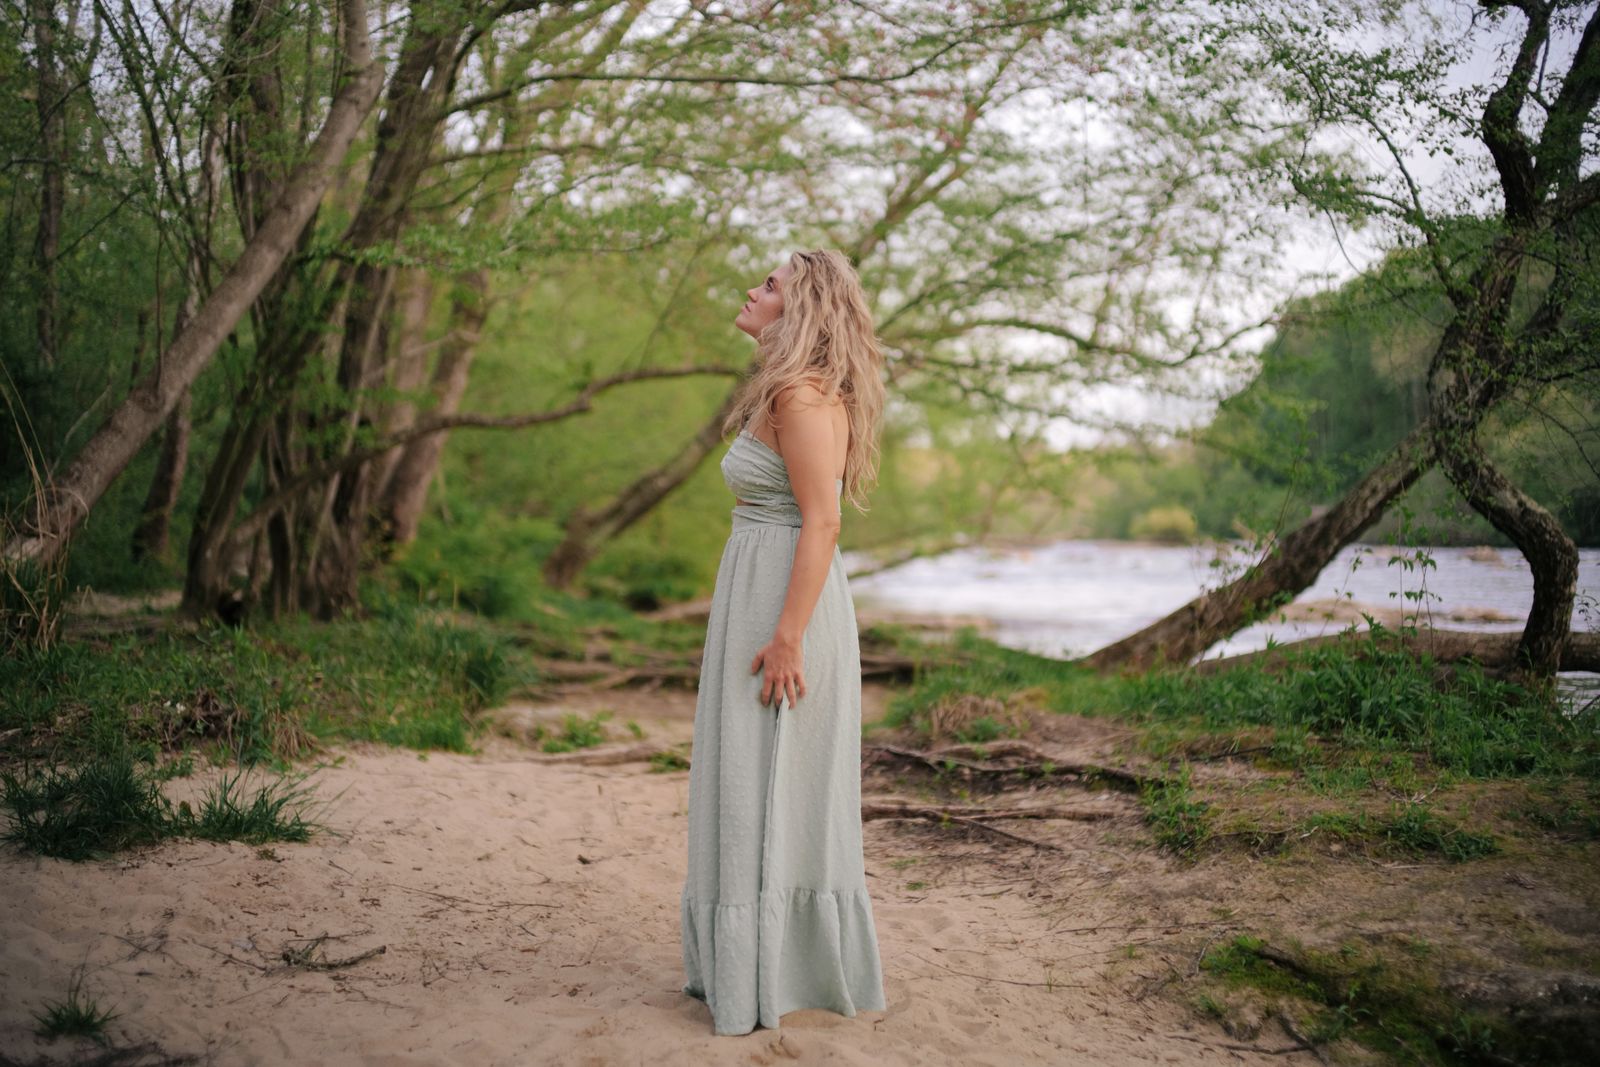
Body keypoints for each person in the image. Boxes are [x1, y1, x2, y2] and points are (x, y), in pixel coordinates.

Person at [679, 250, 889, 1036]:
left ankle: (772, 968)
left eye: (769, 285)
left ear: (800, 309)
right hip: (762, 592)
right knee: (750, 777)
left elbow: (825, 522)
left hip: (787, 609)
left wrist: (789, 637)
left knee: (773, 780)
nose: (751, 290)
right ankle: (754, 963)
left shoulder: (802, 397)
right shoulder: (785, 390)